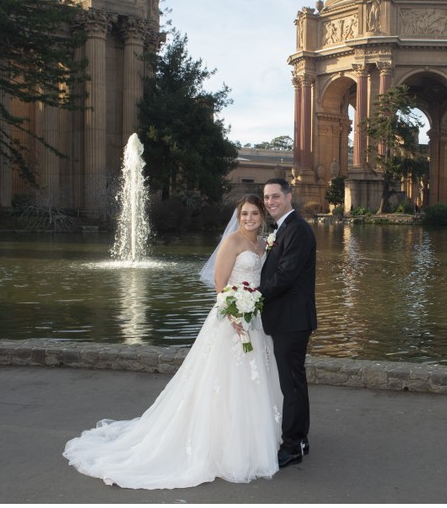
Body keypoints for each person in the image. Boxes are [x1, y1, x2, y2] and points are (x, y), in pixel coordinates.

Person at [63, 194, 283, 489]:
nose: (249, 219)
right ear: (238, 215)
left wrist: (250, 310)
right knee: (223, 381)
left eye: (254, 214)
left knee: (254, 380)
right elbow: (220, 286)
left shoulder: (262, 243)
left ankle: (253, 440)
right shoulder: (232, 242)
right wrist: (233, 313)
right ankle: (219, 446)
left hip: (254, 320)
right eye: (244, 214)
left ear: (262, 217)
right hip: (231, 320)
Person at [259, 178, 317, 468]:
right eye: (267, 197)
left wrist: (254, 296)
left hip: (292, 320)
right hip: (286, 318)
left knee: (290, 385)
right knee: (295, 382)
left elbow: (286, 275)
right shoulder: (283, 229)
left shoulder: (298, 230)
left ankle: (292, 445)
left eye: (275, 196)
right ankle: (301, 438)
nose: (270, 202)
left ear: (288, 196)